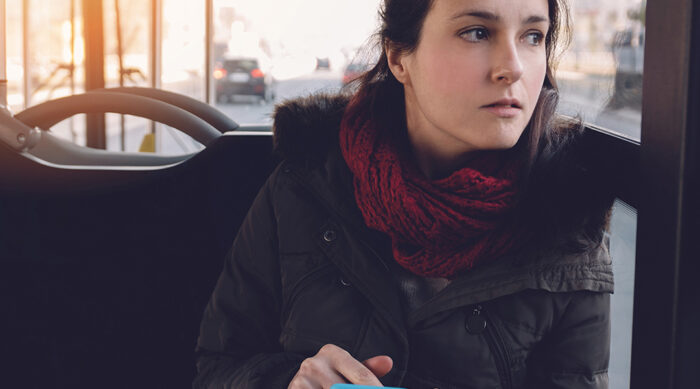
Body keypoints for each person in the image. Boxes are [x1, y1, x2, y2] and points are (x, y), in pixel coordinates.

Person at [194, 0, 615, 388]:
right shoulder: (306, 187)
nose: (513, 67)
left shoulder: (569, 225)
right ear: (399, 58)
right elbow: (218, 364)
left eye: (533, 36)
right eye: (477, 32)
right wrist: (288, 381)